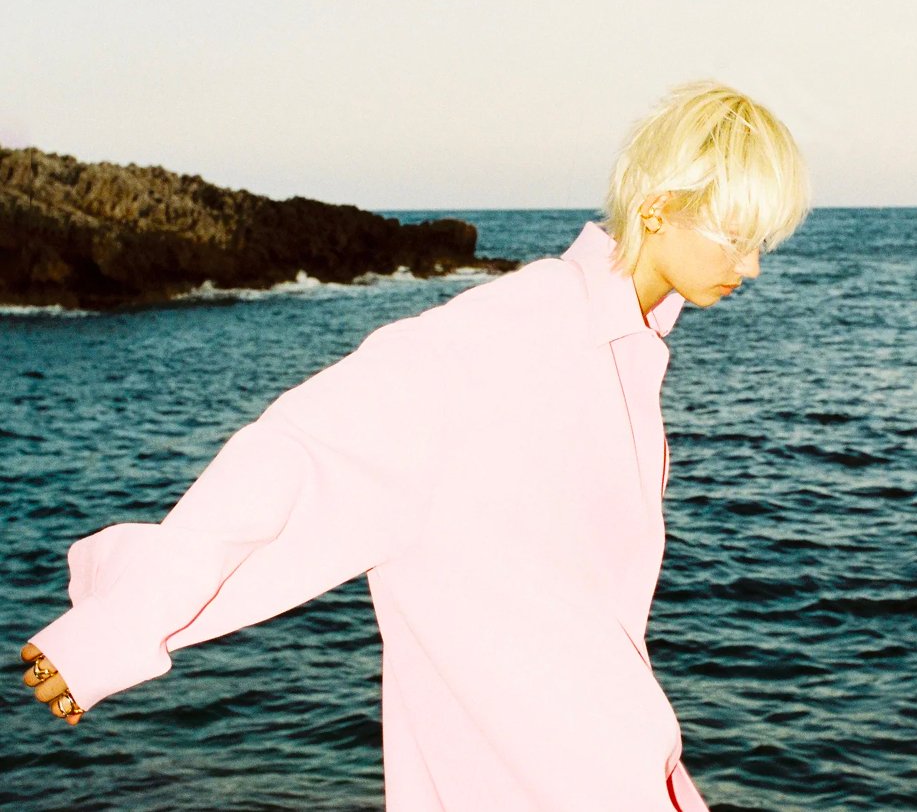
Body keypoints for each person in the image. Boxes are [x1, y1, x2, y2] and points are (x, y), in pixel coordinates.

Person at [21, 80, 810, 810]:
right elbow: (303, 458)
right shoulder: (512, 332)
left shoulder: (625, 355)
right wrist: (119, 625)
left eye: (761, 243)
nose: (750, 267)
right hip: (531, 778)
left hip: (612, 765)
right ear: (659, 208)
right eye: (736, 237)